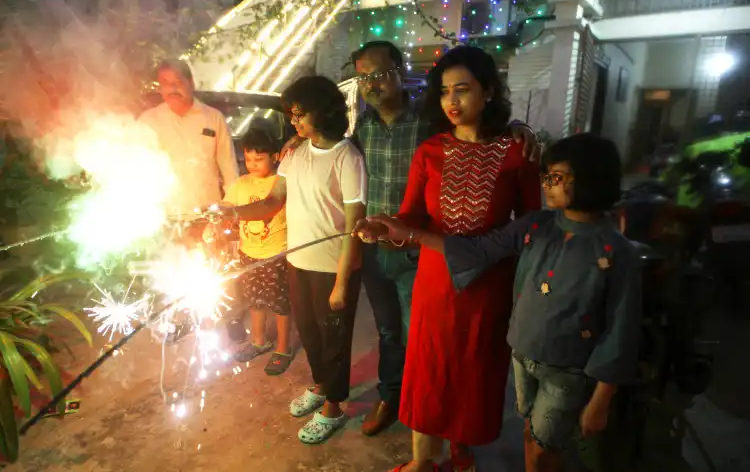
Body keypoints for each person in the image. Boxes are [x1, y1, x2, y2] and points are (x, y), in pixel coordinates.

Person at [283, 41, 541, 437]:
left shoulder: (428, 123)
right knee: (389, 331)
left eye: (380, 73)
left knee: (426, 340)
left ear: (400, 72)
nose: (372, 84)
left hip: (426, 253)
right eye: (363, 77)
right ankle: (394, 399)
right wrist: (300, 139)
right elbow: (331, 148)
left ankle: (441, 422)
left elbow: (478, 135)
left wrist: (519, 129)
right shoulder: (362, 127)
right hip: (377, 247)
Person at [360, 134, 643, 472]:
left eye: (557, 177)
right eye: (546, 176)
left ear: (592, 178)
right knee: (531, 435)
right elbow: (477, 251)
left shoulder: (615, 251)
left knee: (545, 450)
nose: (547, 184)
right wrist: (407, 233)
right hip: (524, 357)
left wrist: (601, 400)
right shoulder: (535, 226)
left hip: (570, 369)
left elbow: (620, 332)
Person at [354, 45, 542, 471]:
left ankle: (462, 448)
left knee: (472, 370)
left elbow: (532, 225)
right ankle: (424, 459)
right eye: (443, 92)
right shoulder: (431, 152)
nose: (452, 102)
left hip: (488, 286)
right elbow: (410, 219)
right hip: (435, 282)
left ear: (489, 91)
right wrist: (384, 228)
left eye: (463, 90)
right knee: (429, 366)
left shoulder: (517, 153)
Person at [220, 76, 366, 444]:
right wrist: (231, 213)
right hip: (297, 262)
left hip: (332, 266)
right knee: (311, 333)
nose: (294, 121)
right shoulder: (294, 155)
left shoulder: (347, 157)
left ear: (325, 110)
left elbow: (354, 227)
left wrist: (343, 282)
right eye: (292, 115)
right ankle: (320, 387)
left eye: (301, 113)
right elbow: (273, 201)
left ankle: (334, 407)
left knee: (335, 340)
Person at [205, 128, 293, 375]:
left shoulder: (279, 183)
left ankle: (284, 348)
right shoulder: (242, 184)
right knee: (255, 300)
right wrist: (215, 216)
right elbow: (227, 205)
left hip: (276, 254)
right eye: (248, 159)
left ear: (275, 157)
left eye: (259, 159)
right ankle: (258, 340)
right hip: (248, 253)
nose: (252, 165)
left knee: (279, 303)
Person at [139, 58, 239, 228]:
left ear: (190, 83)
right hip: (164, 221)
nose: (172, 89)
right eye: (165, 83)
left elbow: (229, 170)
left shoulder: (213, 118)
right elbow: (136, 173)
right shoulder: (148, 121)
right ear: (159, 88)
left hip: (207, 218)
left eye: (177, 82)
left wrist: (232, 211)